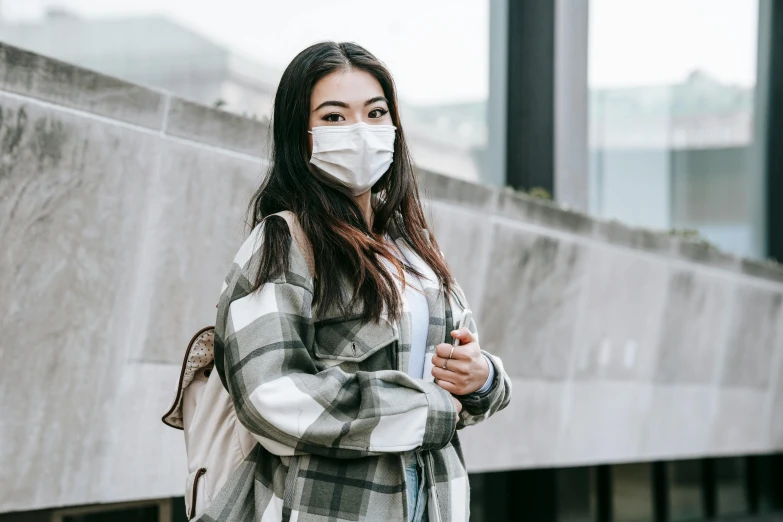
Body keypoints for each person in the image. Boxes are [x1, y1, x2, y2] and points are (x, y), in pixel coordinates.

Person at [204, 41, 511, 522]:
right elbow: (269, 395)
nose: (360, 131)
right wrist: (421, 410)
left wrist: (482, 378)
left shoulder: (415, 249)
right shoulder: (284, 241)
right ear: (299, 133)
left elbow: (462, 394)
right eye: (333, 117)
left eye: (375, 112)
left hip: (434, 501)